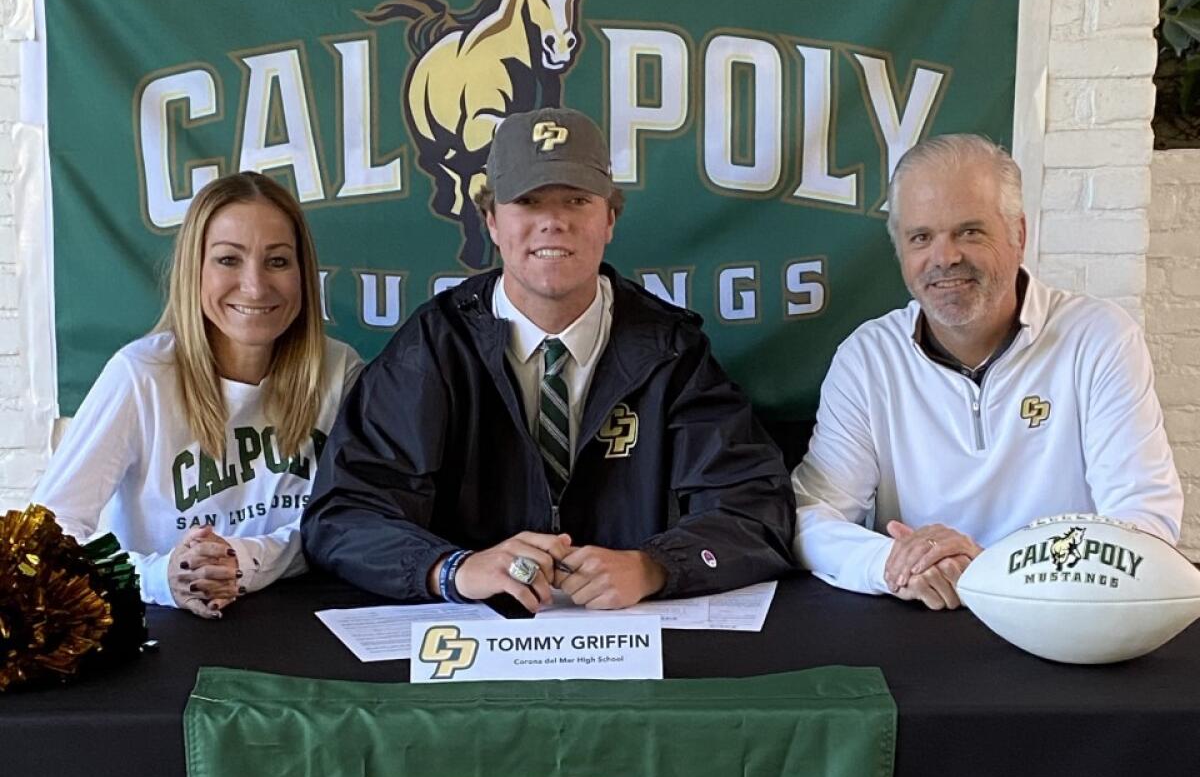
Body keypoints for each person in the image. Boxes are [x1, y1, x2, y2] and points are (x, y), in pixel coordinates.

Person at [302, 107, 794, 611]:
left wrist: (656, 565)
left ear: (609, 219)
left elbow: (756, 509)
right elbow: (343, 515)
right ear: (492, 220)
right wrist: (452, 569)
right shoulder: (432, 347)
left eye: (576, 200)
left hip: (629, 636)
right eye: (528, 201)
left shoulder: (671, 352)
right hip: (475, 640)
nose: (553, 222)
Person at [792, 133, 1183, 609]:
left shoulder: (1098, 339)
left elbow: (1145, 524)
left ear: (1018, 235)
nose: (945, 257)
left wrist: (994, 570)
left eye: (969, 231)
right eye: (921, 237)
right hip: (921, 617)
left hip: (1060, 621)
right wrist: (891, 563)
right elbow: (811, 515)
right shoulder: (868, 358)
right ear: (900, 250)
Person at [34, 171, 362, 618]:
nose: (255, 285)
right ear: (195, 271)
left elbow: (353, 520)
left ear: (303, 274)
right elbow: (48, 538)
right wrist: (161, 575)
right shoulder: (141, 376)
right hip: (162, 628)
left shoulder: (338, 371)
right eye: (229, 259)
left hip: (302, 621)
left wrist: (241, 559)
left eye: (278, 261)